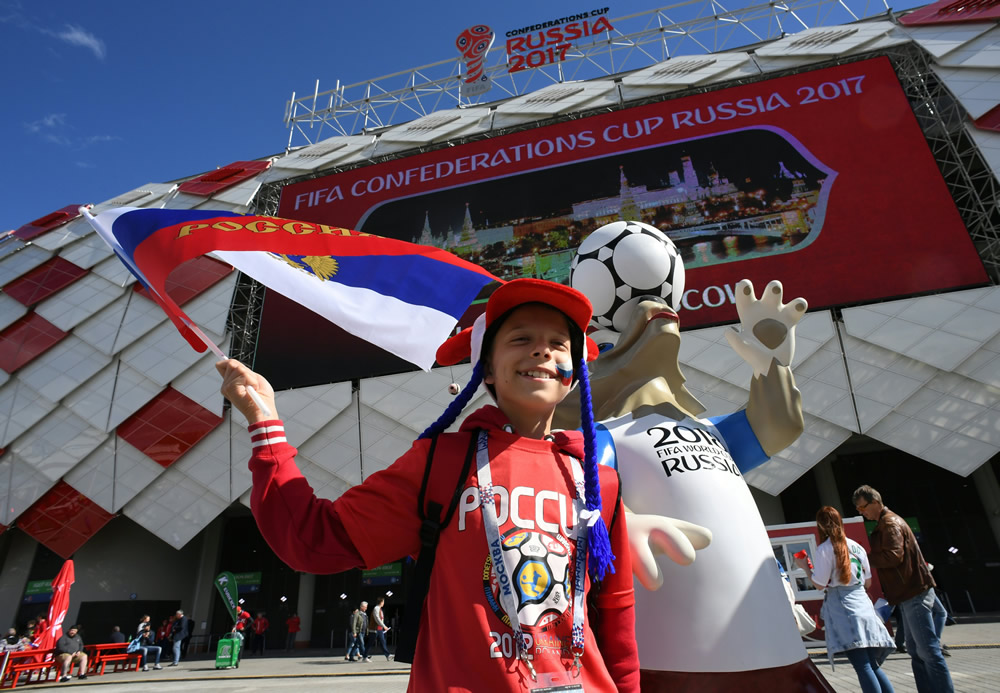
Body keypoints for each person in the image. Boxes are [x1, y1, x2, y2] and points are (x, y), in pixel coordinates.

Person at [217, 278, 639, 691]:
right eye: (520, 338)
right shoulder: (439, 462)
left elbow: (617, 617)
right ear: (487, 368)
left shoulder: (598, 481)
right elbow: (312, 538)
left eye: (559, 343)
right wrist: (265, 424)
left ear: (574, 371)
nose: (542, 349)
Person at [853, 485, 954, 693]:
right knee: (918, 651)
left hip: (912, 591)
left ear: (875, 502)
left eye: (863, 507)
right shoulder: (887, 522)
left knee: (927, 652)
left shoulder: (889, 523)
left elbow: (893, 556)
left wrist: (864, 558)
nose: (861, 512)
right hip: (909, 592)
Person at [795, 506, 895, 693]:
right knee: (872, 665)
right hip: (863, 606)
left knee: (863, 666)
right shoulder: (857, 547)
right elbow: (868, 582)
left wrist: (804, 567)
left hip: (844, 610)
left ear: (821, 525)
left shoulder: (825, 549)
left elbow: (819, 583)